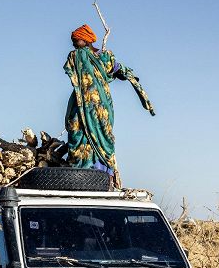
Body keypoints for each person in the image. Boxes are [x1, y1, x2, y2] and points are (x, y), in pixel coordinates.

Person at [64, 24, 154, 189]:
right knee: (78, 133)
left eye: (76, 40)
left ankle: (102, 177)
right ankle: (79, 175)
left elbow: (117, 70)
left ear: (87, 39)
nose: (74, 44)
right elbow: (72, 71)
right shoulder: (75, 56)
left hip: (101, 106)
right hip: (81, 104)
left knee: (103, 137)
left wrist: (129, 76)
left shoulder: (104, 56)